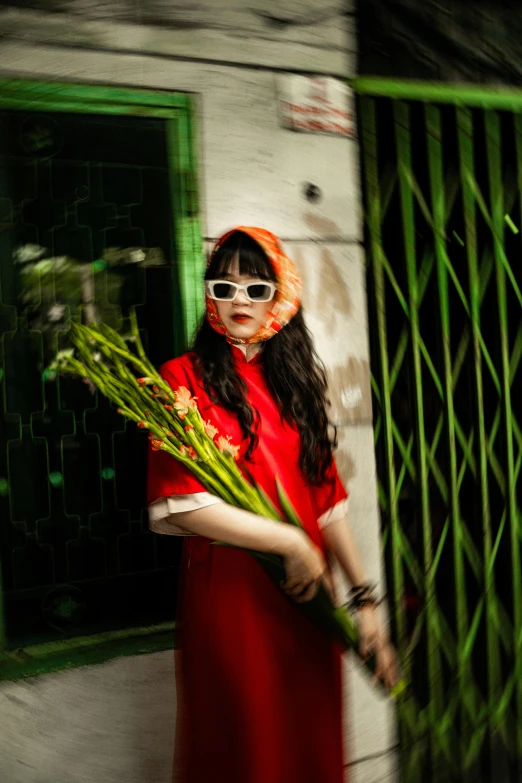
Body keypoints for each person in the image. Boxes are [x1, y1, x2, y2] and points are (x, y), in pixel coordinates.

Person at [147, 227, 398, 783]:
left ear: (281, 293)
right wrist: (287, 541)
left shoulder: (298, 384)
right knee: (247, 746)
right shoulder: (181, 378)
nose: (239, 299)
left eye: (256, 287)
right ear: (209, 296)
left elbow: (327, 500)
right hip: (233, 601)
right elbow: (181, 505)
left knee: (307, 741)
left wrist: (365, 602)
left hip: (310, 598)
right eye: (225, 285)